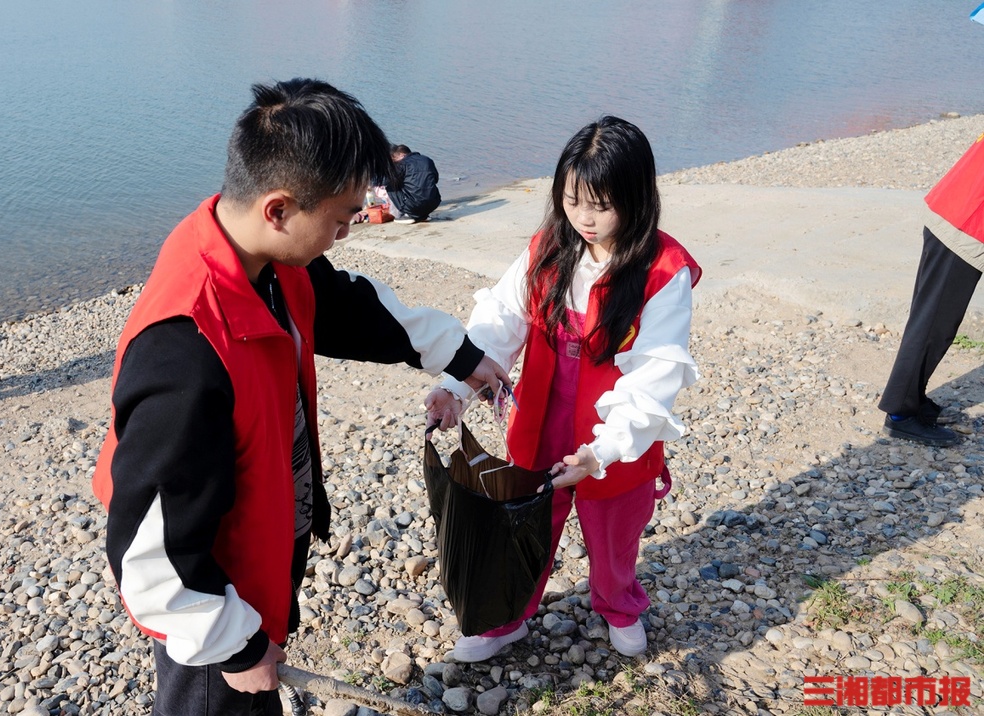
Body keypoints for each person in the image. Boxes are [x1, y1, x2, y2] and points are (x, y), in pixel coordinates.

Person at [91, 78, 510, 716]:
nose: (345, 235)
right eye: (340, 221)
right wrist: (236, 647)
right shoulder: (184, 351)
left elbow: (345, 304)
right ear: (279, 209)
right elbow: (148, 557)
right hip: (211, 597)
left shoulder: (258, 256)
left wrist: (460, 356)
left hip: (259, 557)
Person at [425, 116, 701, 662]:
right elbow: (501, 321)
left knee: (614, 531)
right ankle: (507, 617)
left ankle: (618, 605)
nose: (584, 219)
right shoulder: (549, 247)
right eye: (572, 201)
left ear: (637, 198)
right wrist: (455, 386)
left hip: (615, 426)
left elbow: (655, 375)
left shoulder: (662, 270)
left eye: (601, 205)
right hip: (542, 415)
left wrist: (601, 453)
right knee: (524, 523)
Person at [878, 131, 984, 447]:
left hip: (955, 207)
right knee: (933, 325)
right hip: (964, 223)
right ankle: (900, 413)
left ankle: (911, 398)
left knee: (930, 321)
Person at [385, 144, 441, 224]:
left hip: (413, 206)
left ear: (402, 155)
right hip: (434, 203)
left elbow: (385, 181)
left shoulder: (403, 163)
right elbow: (435, 179)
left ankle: (407, 215)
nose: (395, 163)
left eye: (395, 159)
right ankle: (423, 215)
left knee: (390, 186)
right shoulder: (427, 160)